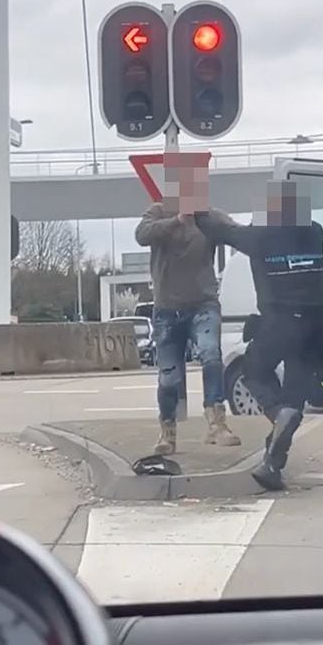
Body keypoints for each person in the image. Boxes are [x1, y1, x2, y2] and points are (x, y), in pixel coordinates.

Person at [194, 180, 323, 491]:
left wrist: (194, 207)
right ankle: (272, 465)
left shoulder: (262, 236)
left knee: (254, 369)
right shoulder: (315, 231)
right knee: (294, 401)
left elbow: (221, 231)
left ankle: (276, 413)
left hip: (283, 321)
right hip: (319, 323)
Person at [134, 153, 241, 455]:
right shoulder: (157, 213)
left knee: (210, 355)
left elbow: (238, 234)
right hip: (167, 308)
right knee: (169, 375)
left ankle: (216, 422)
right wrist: (176, 221)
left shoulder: (209, 217)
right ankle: (167, 432)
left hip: (203, 304)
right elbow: (141, 235)